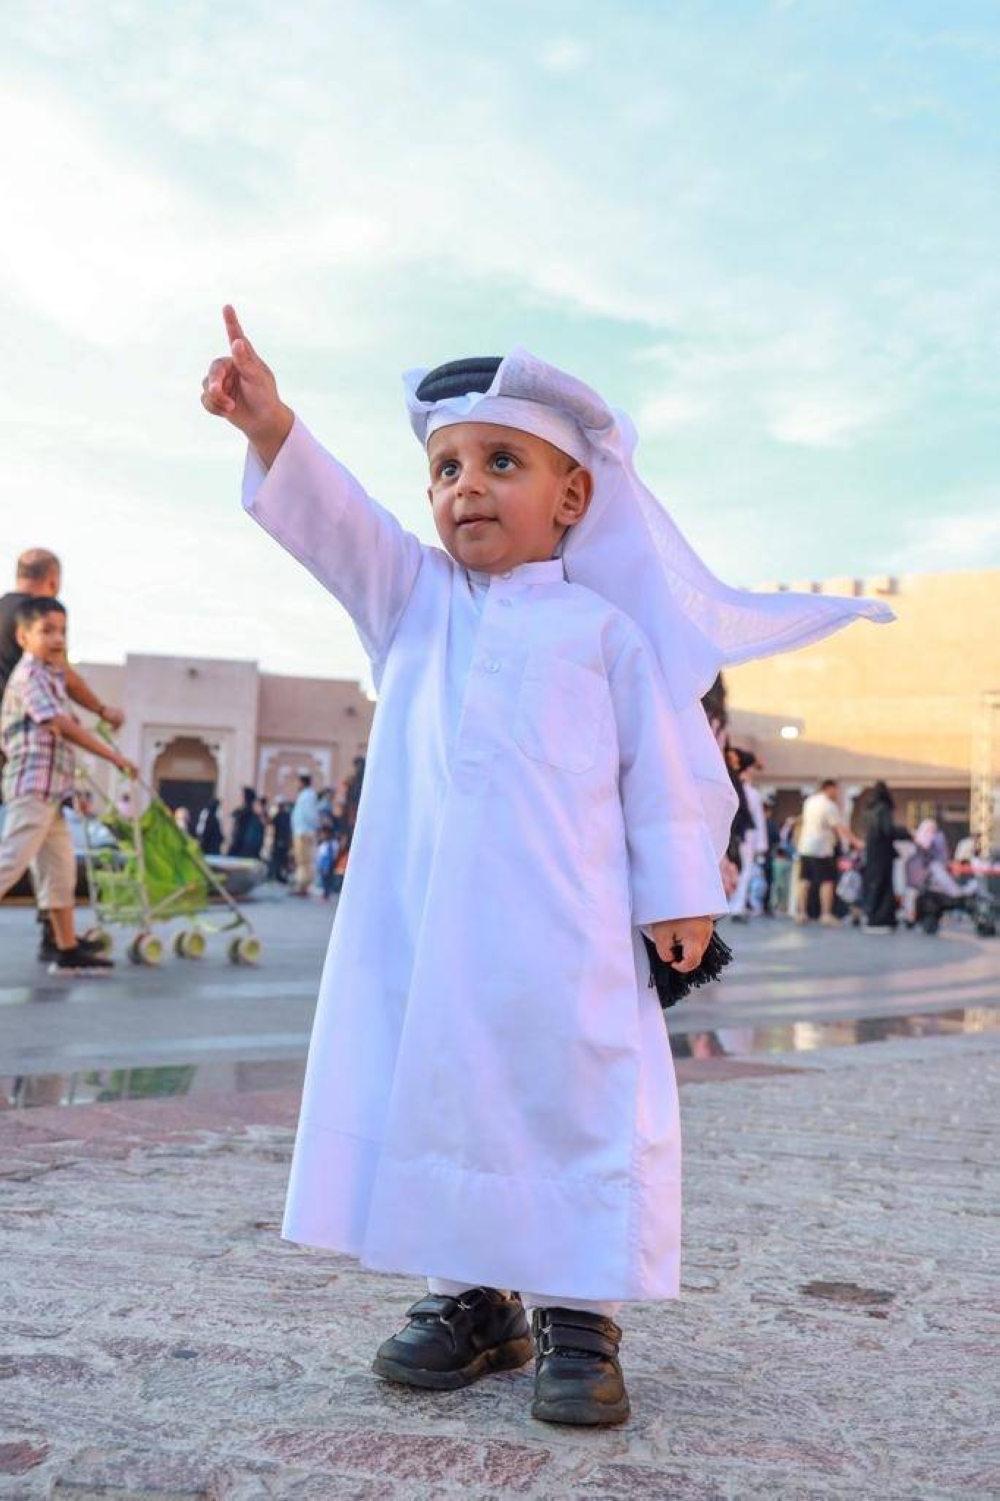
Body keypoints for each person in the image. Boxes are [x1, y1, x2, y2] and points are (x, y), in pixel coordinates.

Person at [201, 306, 892, 1427]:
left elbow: (668, 771)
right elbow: (336, 524)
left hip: (568, 938)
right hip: (429, 939)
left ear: (572, 496)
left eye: (500, 462)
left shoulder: (608, 636)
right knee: (437, 1097)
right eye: (445, 468)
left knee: (573, 1103)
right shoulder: (413, 603)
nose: (465, 487)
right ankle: (470, 1302)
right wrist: (272, 423)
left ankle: (579, 1315)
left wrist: (679, 899)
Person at [0, 598, 135, 973]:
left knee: (60, 873)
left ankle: (66, 948)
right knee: (9, 863)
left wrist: (74, 795)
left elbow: (58, 748)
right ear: (23, 636)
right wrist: (115, 758)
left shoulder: (51, 677)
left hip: (51, 793)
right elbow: (61, 726)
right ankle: (65, 946)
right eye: (47, 631)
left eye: (62, 630)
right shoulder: (30, 676)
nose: (58, 639)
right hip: (31, 790)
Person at [0, 549, 125, 731]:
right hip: (20, 729)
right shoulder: (39, 616)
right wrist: (102, 710)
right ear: (53, 580)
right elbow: (62, 673)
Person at [796, 779, 862, 927]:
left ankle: (801, 913)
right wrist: (855, 842)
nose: (837, 793)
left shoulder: (809, 802)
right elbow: (840, 828)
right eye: (836, 790)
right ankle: (826, 914)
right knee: (827, 881)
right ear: (829, 788)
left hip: (805, 847)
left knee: (804, 880)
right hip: (821, 849)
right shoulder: (828, 805)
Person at [861, 782, 910, 933]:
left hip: (872, 853)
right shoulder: (884, 809)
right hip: (883, 854)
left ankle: (872, 916)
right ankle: (880, 919)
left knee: (874, 885)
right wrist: (906, 834)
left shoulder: (869, 811)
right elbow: (888, 830)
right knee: (883, 886)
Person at [728, 752, 767, 921]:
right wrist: (762, 844)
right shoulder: (749, 792)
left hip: (735, 835)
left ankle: (735, 906)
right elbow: (758, 820)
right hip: (744, 836)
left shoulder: (734, 786)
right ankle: (736, 907)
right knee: (743, 871)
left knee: (739, 870)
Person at [290, 772, 319, 896]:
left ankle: (304, 886)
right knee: (301, 860)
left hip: (304, 832)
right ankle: (301, 885)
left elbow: (310, 815)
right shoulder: (304, 795)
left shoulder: (308, 796)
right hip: (301, 831)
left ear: (303, 782)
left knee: (305, 861)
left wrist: (312, 828)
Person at [228, 786, 265, 859]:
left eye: (242, 796)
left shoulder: (246, 814)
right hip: (246, 850)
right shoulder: (251, 814)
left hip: (243, 851)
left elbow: (239, 834)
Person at [268, 798, 292, 882]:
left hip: (282, 841)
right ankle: (276, 875)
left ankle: (278, 875)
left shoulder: (284, 816)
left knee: (280, 859)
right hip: (280, 841)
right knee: (278, 859)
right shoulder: (280, 816)